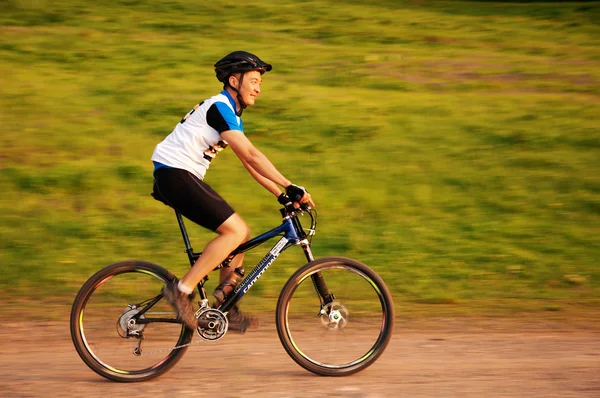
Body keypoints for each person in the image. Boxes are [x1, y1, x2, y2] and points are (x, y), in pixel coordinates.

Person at [151, 51, 315, 331]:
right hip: (174, 174)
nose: (258, 88)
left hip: (178, 175)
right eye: (253, 80)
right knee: (235, 231)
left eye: (259, 83)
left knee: (241, 234)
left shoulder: (229, 111)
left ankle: (225, 300)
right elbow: (251, 155)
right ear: (233, 81)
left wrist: (281, 195)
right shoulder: (220, 108)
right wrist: (290, 186)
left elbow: (248, 163)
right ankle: (180, 290)